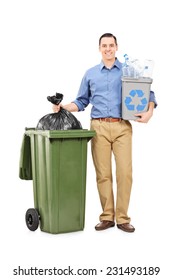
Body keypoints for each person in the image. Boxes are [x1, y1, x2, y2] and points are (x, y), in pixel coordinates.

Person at [53, 33, 157, 233]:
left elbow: (148, 91)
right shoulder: (91, 73)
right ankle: (107, 217)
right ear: (99, 48)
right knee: (103, 174)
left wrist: (150, 110)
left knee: (125, 174)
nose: (108, 49)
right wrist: (63, 107)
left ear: (117, 47)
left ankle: (123, 218)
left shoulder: (129, 70)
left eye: (111, 45)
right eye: (104, 46)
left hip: (122, 127)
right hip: (98, 128)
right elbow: (82, 101)